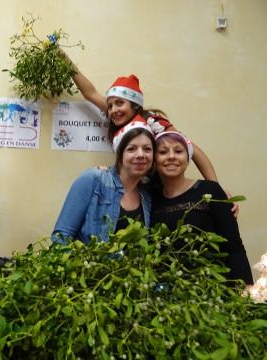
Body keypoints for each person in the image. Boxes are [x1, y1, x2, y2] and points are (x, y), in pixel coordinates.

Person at [61, 52, 217, 181]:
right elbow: (90, 93)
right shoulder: (117, 115)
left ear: (135, 105)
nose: (114, 110)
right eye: (110, 106)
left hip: (158, 187)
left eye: (120, 103)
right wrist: (64, 60)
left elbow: (193, 149)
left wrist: (215, 189)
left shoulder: (153, 122)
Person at [151, 131, 253, 284]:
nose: (171, 156)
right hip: (169, 295)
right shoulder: (151, 198)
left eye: (178, 151)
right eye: (163, 152)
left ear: (188, 158)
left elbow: (234, 247)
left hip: (216, 289)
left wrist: (246, 288)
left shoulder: (210, 191)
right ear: (154, 161)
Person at [52, 120, 155, 244]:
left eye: (147, 149)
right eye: (131, 149)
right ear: (120, 153)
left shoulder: (147, 196)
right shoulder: (93, 180)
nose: (140, 155)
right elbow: (61, 237)